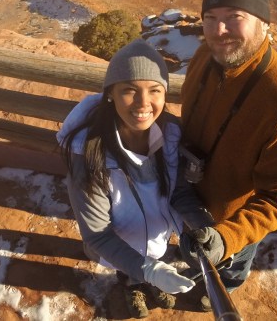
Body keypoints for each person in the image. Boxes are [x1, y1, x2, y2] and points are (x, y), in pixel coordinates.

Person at [178, 0, 277, 311]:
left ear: (264, 23)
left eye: (234, 16)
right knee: (191, 250)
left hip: (234, 221)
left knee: (231, 268)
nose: (218, 29)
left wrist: (227, 239)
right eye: (209, 17)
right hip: (187, 198)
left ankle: (228, 284)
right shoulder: (203, 58)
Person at [58, 39, 211, 318]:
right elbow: (97, 235)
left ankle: (145, 277)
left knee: (154, 257)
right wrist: (146, 270)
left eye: (155, 90)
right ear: (110, 95)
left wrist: (202, 224)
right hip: (117, 247)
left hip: (157, 238)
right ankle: (133, 284)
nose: (143, 103)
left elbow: (179, 192)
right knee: (130, 271)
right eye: (129, 90)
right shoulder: (89, 153)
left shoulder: (172, 136)